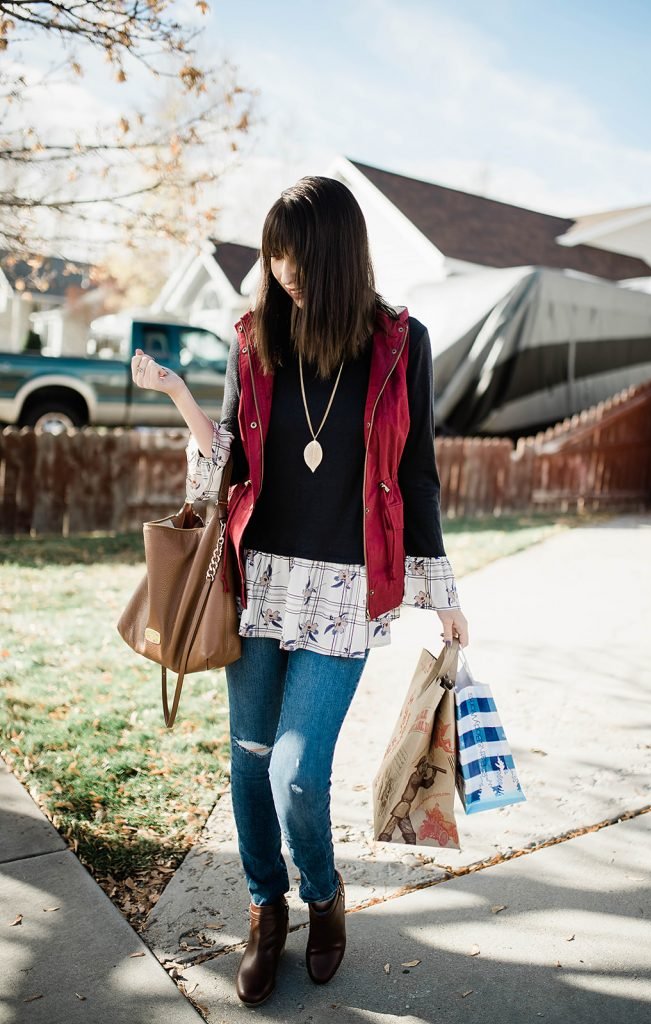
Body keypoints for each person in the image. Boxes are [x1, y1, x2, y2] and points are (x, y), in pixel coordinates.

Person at [130, 175, 469, 1006]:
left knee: (296, 773)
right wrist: (179, 398)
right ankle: (265, 907)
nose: (283, 271)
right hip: (260, 583)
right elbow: (229, 467)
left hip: (346, 593)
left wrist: (442, 591)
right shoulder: (255, 337)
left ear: (338, 254)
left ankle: (321, 893)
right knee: (249, 763)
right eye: (274, 254)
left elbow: (416, 476)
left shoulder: (401, 343)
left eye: (298, 255)